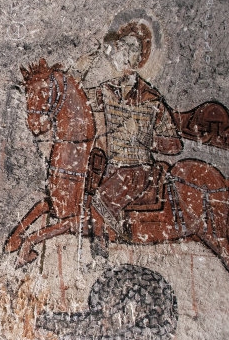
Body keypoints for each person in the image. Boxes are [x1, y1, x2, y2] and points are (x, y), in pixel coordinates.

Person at [76, 22, 183, 240]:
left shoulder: (151, 99)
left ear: (141, 58)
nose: (126, 54)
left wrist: (142, 137)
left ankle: (106, 246)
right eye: (123, 46)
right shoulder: (106, 91)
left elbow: (174, 146)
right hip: (110, 167)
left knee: (100, 203)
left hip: (137, 171)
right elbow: (76, 98)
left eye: (133, 49)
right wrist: (82, 66)